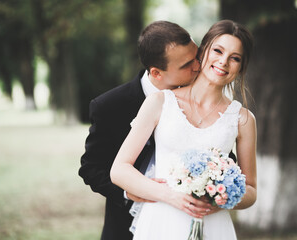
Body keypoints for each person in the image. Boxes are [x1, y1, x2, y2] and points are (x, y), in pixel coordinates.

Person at [110, 19, 257, 239]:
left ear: (241, 66)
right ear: (202, 50)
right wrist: (169, 195)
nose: (223, 62)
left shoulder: (243, 119)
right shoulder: (159, 102)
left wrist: (221, 197)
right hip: (161, 221)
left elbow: (251, 190)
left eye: (235, 58)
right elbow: (119, 169)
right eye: (218, 50)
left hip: (213, 226)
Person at [79, 21, 217, 240]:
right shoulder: (109, 105)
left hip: (189, 222)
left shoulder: (204, 99)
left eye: (197, 57)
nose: (198, 67)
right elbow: (91, 168)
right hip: (126, 225)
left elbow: (221, 155)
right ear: (156, 72)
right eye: (186, 64)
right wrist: (127, 192)